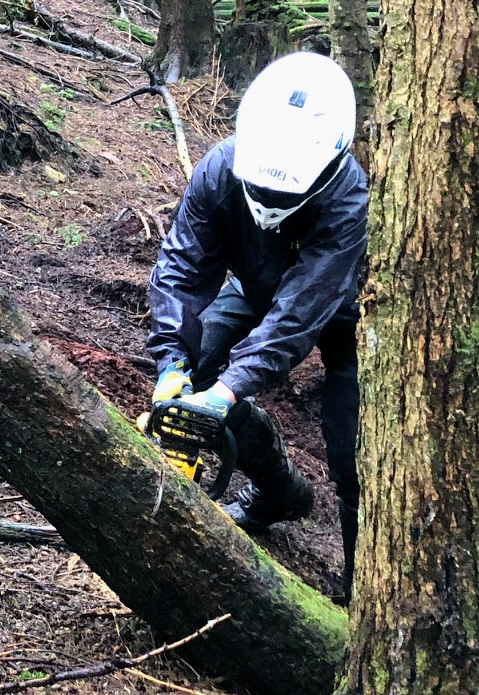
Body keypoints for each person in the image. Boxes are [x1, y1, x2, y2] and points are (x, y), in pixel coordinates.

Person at [145, 51, 367, 602]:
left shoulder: (346, 199)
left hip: (343, 316)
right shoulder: (221, 169)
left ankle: (362, 593)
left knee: (354, 453)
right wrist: (173, 362)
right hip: (251, 289)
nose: (270, 203)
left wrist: (228, 389)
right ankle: (276, 494)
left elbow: (301, 311)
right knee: (191, 376)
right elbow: (181, 268)